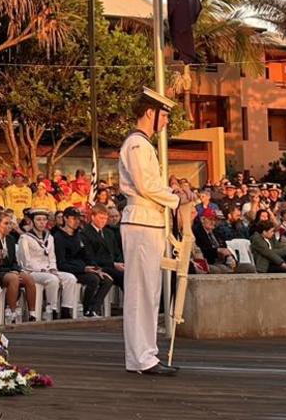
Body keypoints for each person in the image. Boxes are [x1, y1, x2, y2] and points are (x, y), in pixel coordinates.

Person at [118, 87, 195, 376]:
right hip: (140, 221)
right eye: (163, 116)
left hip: (148, 221)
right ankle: (140, 358)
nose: (165, 122)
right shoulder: (137, 145)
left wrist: (171, 193)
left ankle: (145, 354)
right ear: (149, 113)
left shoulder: (142, 144)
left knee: (149, 291)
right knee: (141, 291)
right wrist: (176, 199)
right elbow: (145, 185)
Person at [17, 208, 79, 319]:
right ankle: (51, 309)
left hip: (48, 269)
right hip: (32, 272)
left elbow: (52, 257)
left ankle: (66, 309)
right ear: (32, 221)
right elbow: (26, 262)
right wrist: (44, 270)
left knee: (70, 278)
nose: (42, 223)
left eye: (44, 220)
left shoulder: (49, 237)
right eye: (38, 220)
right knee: (52, 280)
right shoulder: (25, 238)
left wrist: (53, 268)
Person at [54, 206, 113, 317]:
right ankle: (86, 309)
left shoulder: (79, 235)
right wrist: (83, 269)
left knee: (106, 279)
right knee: (93, 279)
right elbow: (61, 263)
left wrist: (97, 269)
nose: (77, 222)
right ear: (65, 219)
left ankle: (93, 309)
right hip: (68, 269)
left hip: (82, 267)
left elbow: (87, 255)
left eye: (78, 219)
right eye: (73, 218)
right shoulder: (58, 237)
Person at [0, 210, 36, 321]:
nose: (9, 226)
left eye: (10, 223)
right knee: (14, 279)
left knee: (28, 278)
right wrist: (12, 272)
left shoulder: (10, 239)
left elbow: (14, 261)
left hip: (10, 270)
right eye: (6, 223)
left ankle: (32, 313)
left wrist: (16, 269)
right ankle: (11, 312)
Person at [192, 209, 255, 273]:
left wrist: (230, 257)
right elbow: (203, 251)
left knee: (249, 267)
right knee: (221, 270)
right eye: (210, 219)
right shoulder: (197, 232)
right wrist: (217, 251)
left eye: (215, 220)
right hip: (211, 262)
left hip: (224, 261)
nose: (213, 222)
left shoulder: (215, 231)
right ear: (203, 219)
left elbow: (224, 247)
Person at [80, 203, 125, 289]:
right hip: (99, 266)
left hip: (113, 266)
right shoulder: (85, 233)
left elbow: (117, 252)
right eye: (101, 218)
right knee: (124, 277)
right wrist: (113, 264)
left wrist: (121, 263)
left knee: (131, 274)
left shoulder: (109, 233)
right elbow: (91, 256)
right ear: (93, 217)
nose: (103, 221)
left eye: (105, 218)